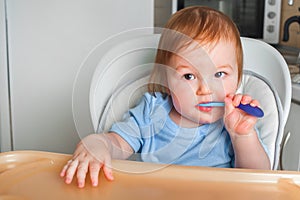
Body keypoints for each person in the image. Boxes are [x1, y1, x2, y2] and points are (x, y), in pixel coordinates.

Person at [60, 6, 270, 188]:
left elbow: (258, 177)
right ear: (165, 81)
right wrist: (97, 144)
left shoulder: (235, 123)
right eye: (189, 76)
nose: (205, 89)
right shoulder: (151, 112)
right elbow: (117, 143)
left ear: (237, 78)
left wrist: (242, 136)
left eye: (219, 74)